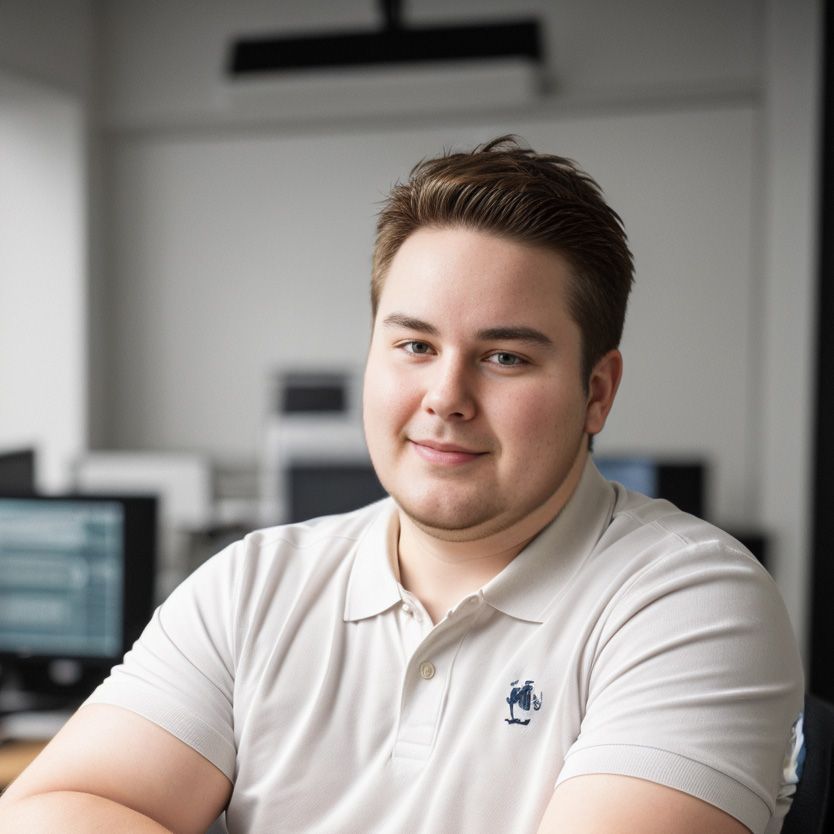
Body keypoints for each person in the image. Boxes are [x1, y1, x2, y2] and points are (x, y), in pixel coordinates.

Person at [0, 137, 804, 834]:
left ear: (597, 390)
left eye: (506, 357)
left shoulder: (690, 601)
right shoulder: (255, 583)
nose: (445, 396)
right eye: (415, 345)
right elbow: (48, 808)